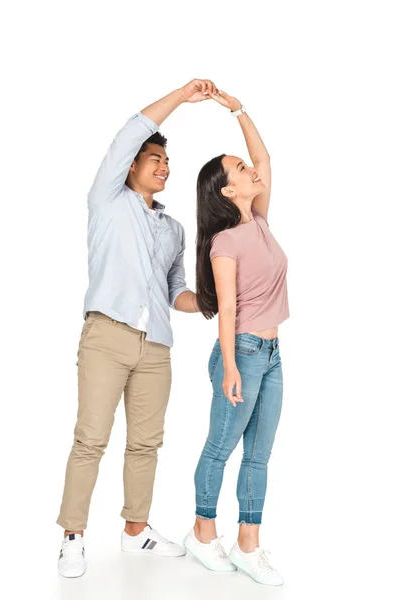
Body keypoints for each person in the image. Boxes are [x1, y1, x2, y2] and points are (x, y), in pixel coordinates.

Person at [57, 79, 218, 578]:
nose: (164, 167)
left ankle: (136, 531)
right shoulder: (108, 198)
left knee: (146, 443)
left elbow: (175, 292)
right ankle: (72, 537)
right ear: (131, 165)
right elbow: (134, 129)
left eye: (167, 162)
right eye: (154, 159)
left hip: (157, 348)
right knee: (91, 439)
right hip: (107, 335)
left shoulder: (173, 228)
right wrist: (182, 96)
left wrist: (209, 302)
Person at [183, 90, 289, 586]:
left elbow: (266, 157)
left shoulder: (260, 220)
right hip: (242, 353)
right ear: (228, 192)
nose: (251, 170)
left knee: (260, 454)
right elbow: (227, 309)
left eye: (247, 167)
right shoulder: (224, 242)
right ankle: (203, 532)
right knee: (220, 448)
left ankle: (249, 544)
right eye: (240, 170)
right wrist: (227, 366)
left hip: (271, 355)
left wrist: (237, 108)